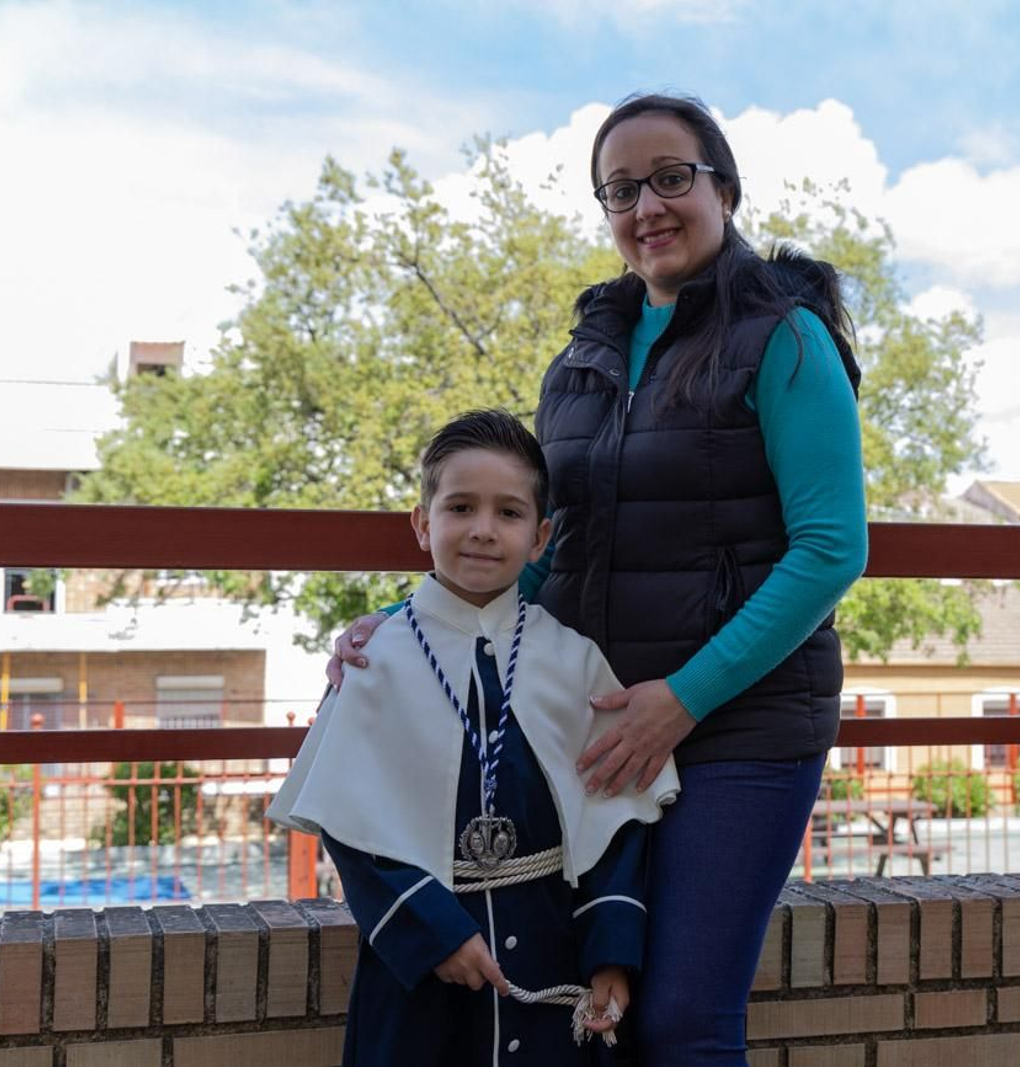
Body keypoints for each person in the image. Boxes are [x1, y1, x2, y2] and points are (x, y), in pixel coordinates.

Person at [331, 92, 868, 1065]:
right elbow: (542, 549)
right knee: (593, 1001)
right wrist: (404, 625)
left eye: (672, 177)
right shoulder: (579, 359)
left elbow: (831, 547)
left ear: (725, 188)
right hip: (595, 723)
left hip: (738, 729)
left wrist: (683, 699)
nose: (647, 205)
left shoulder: (785, 337)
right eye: (620, 189)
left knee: (680, 1019)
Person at [274, 408, 679, 1066]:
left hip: (554, 957)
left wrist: (612, 953)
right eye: (460, 507)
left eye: (509, 513)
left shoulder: (574, 661)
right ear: (421, 522)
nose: (483, 531)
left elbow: (617, 815)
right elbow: (354, 826)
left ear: (541, 535)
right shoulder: (374, 661)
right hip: (423, 975)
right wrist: (432, 931)